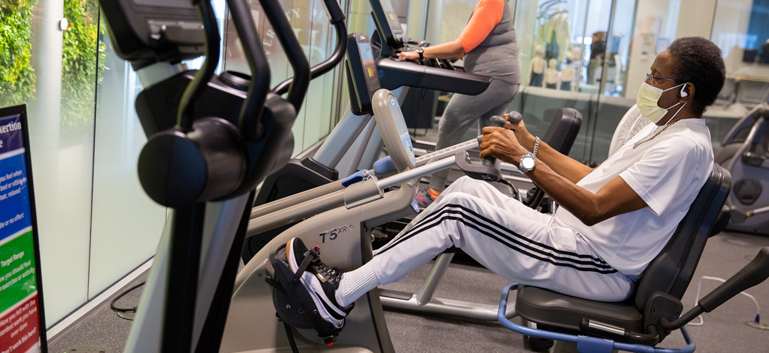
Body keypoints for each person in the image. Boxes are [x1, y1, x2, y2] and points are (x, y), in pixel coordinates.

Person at [277, 37, 727, 330]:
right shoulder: (665, 131)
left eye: (655, 77)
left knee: (458, 213)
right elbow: (595, 181)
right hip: (578, 244)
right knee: (466, 191)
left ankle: (336, 298)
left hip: (597, 265)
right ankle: (347, 282)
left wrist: (523, 159)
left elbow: (595, 207)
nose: (646, 83)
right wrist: (531, 143)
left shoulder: (682, 147)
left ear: (684, 91)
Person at [397, 0, 520, 206]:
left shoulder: (492, 1)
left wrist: (419, 53)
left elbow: (460, 46)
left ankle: (434, 191)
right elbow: (462, 50)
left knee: (451, 120)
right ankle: (487, 197)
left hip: (493, 77)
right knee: (492, 138)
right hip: (504, 79)